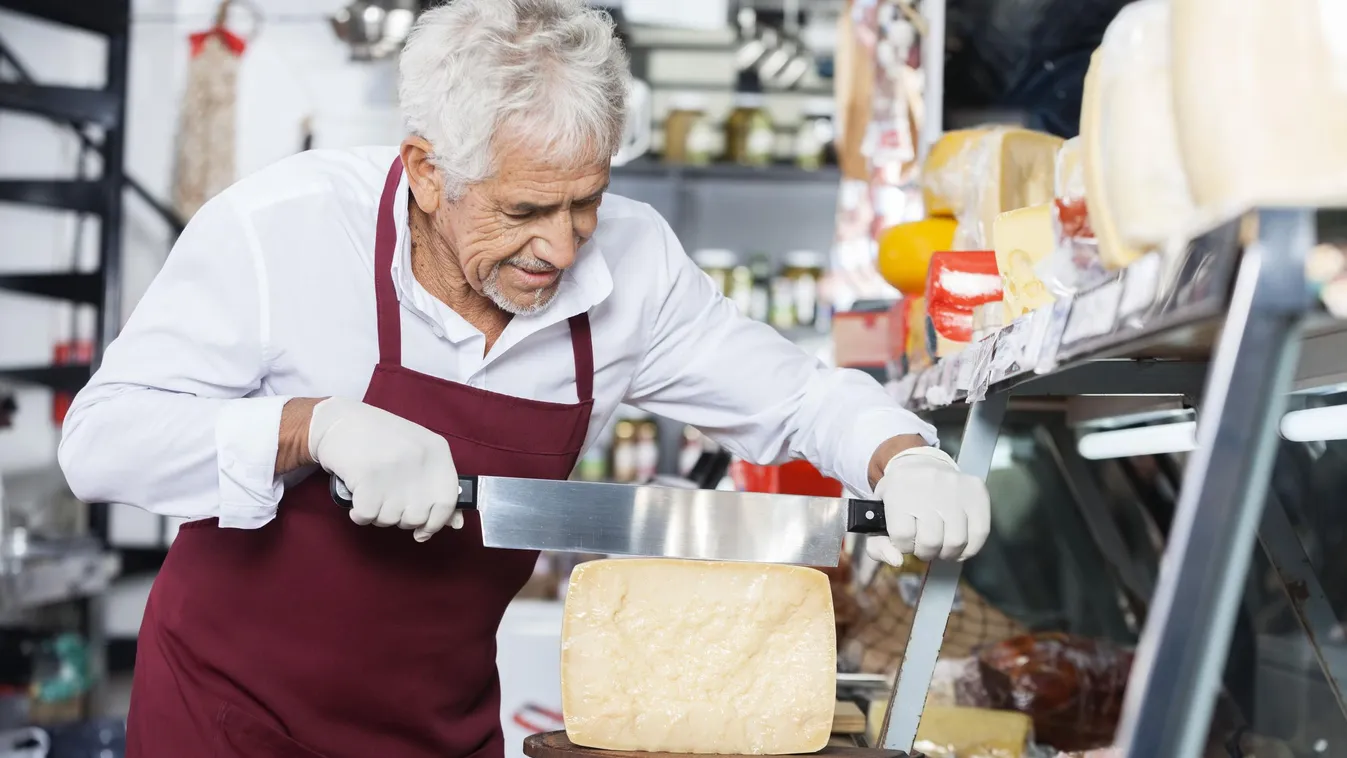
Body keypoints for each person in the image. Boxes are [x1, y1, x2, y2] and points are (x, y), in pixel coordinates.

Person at [57, 1, 990, 756]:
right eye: (524, 209)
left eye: (586, 201)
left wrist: (900, 456)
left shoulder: (634, 265)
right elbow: (100, 445)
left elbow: (791, 394)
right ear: (425, 170)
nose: (560, 245)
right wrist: (311, 427)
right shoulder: (282, 229)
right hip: (228, 720)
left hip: (439, 725)